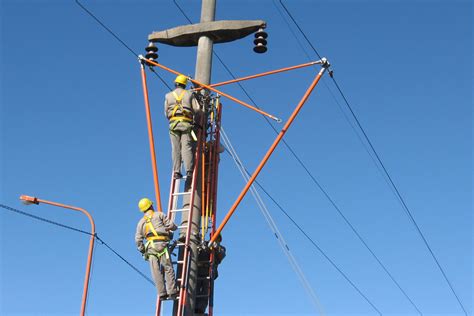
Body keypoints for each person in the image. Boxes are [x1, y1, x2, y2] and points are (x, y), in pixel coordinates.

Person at [135, 198, 179, 300]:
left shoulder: (141, 222)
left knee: (155, 271)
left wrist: (142, 250)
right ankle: (172, 291)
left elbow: (138, 239)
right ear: (151, 206)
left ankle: (162, 293)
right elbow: (171, 226)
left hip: (151, 248)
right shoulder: (159, 215)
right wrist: (174, 228)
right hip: (162, 245)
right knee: (168, 268)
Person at [164, 74, 201, 180]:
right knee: (186, 147)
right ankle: (189, 170)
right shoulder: (189, 94)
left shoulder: (168, 96)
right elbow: (197, 109)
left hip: (173, 125)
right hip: (186, 124)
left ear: (175, 83)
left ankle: (176, 172)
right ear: (184, 85)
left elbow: (166, 113)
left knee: (175, 149)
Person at [194, 234, 226, 315]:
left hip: (209, 272)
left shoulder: (221, 248)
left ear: (219, 239)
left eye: (217, 238)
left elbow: (221, 255)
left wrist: (216, 248)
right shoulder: (204, 243)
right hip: (199, 271)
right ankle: (193, 307)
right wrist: (198, 241)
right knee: (196, 290)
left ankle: (200, 310)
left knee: (205, 292)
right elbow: (199, 251)